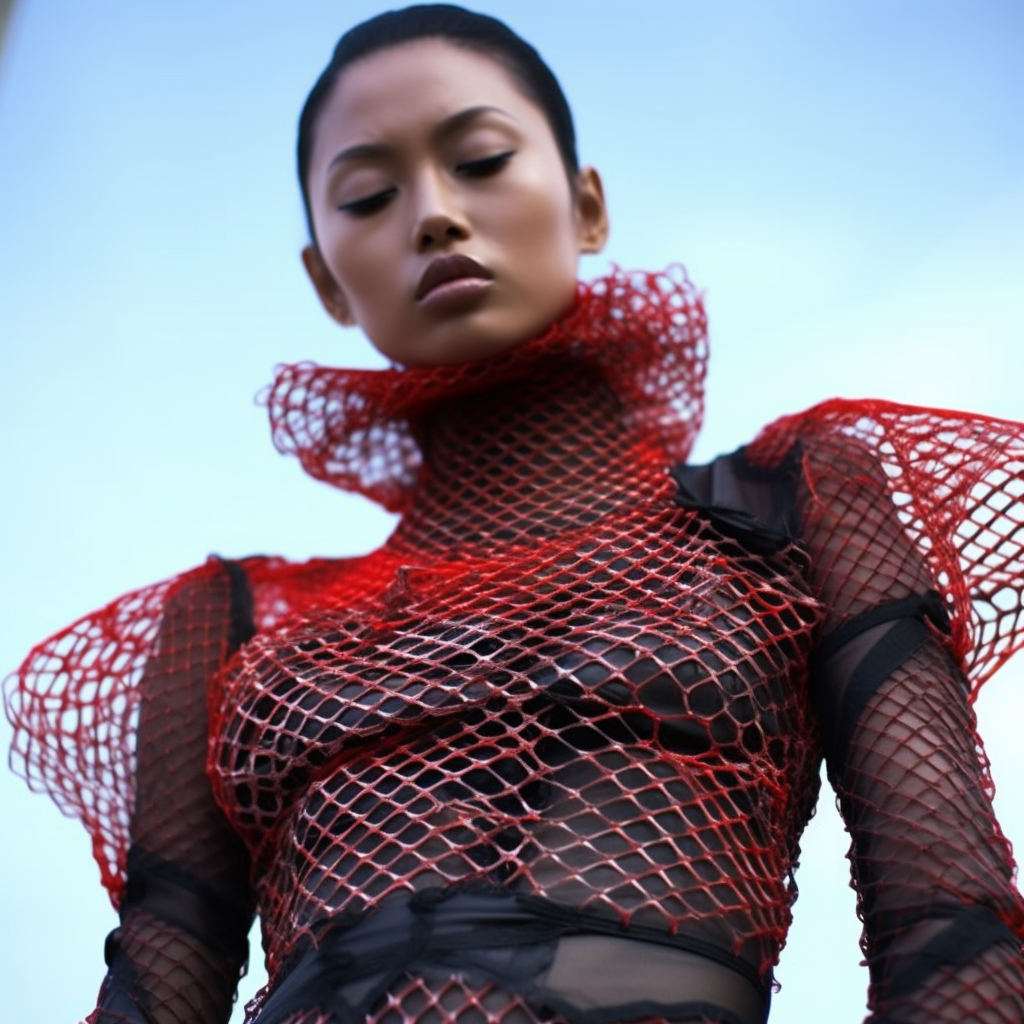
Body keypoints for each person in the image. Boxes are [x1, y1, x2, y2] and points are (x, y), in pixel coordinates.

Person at [6, 5, 1024, 1024]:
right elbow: (153, 990)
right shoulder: (230, 625)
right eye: (369, 194)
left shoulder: (792, 502)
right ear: (323, 278)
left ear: (586, 207)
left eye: (482, 159)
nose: (435, 215)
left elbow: (950, 919)